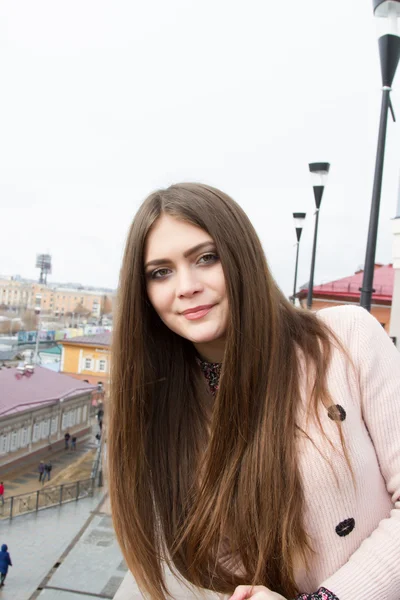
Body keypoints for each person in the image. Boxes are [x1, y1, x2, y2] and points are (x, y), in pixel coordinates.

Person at [108, 183, 400, 600]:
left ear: (241, 255)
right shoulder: (158, 404)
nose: (186, 286)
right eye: (161, 272)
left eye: (206, 258)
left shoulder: (346, 338)